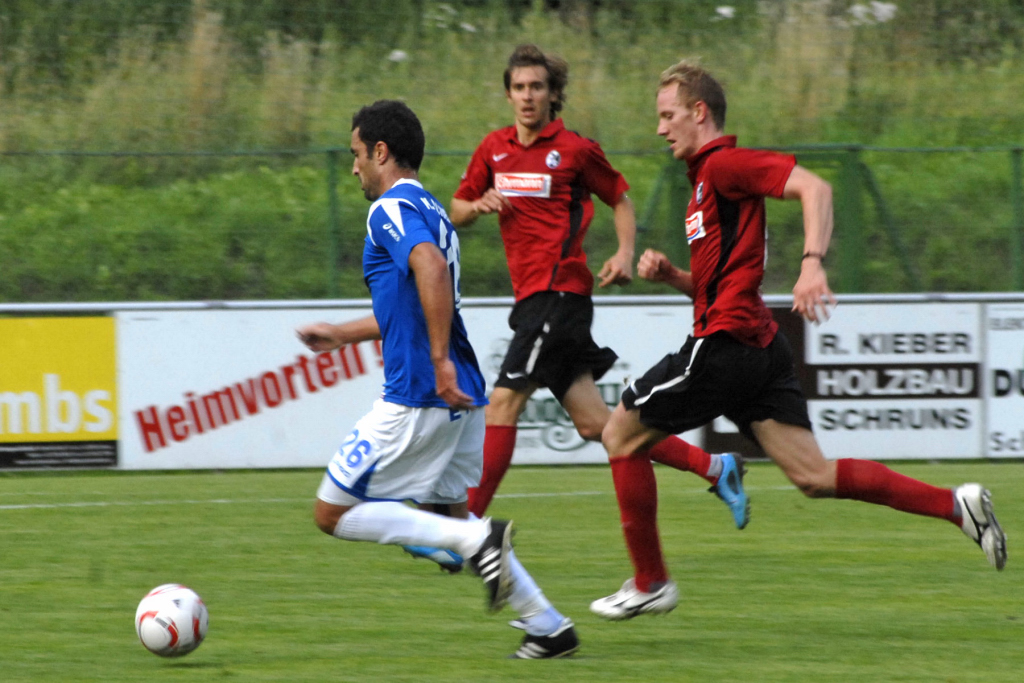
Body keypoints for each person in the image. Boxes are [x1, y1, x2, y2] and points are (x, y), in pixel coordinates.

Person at [590, 60, 1008, 621]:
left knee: (619, 433)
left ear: (699, 112)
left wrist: (812, 263)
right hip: (757, 345)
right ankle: (956, 506)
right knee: (815, 476)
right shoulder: (705, 183)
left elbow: (815, 187)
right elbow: (721, 284)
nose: (660, 128)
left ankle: (651, 582)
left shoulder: (726, 164)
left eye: (668, 116)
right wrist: (672, 277)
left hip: (727, 345)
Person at [297, 99, 579, 658]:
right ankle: (549, 625)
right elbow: (417, 298)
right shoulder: (430, 206)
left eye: (357, 154)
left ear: (381, 152)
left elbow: (427, 267)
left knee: (333, 513)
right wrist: (343, 334)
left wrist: (439, 359)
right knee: (452, 523)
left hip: (420, 392)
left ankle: (480, 539)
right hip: (460, 394)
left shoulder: (388, 209)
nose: (353, 168)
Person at [445, 44, 748, 530]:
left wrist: (624, 253)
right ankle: (715, 467)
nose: (528, 96)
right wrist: (478, 204)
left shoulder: (575, 150)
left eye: (537, 87)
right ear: (508, 95)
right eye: (519, 87)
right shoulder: (493, 149)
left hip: (559, 294)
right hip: (532, 299)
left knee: (502, 403)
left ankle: (462, 528)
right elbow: (457, 209)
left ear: (553, 94)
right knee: (597, 426)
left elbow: (620, 199)